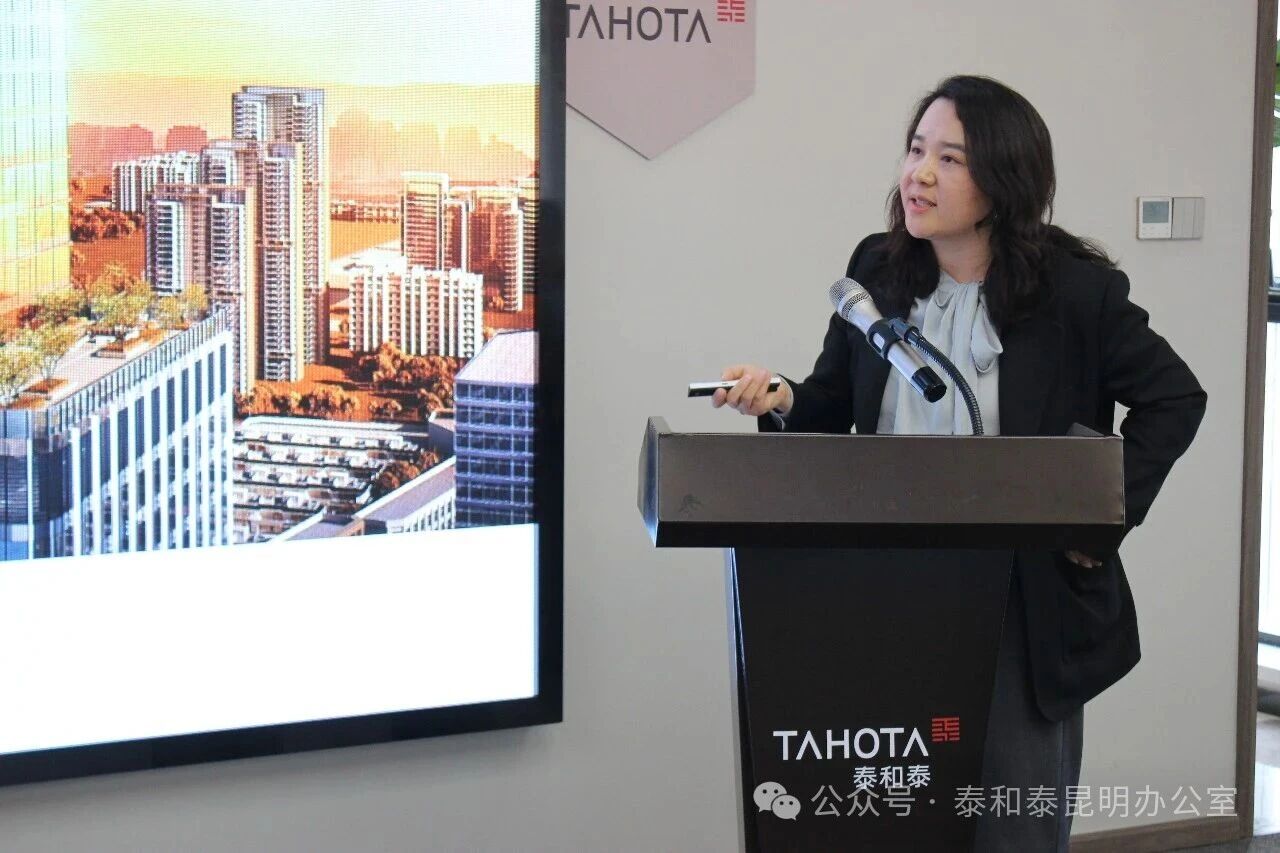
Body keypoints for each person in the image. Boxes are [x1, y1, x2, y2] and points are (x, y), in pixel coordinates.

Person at [710, 75, 1207, 851]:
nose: (920, 174)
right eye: (916, 151)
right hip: (886, 585)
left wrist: (1095, 519)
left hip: (1018, 600)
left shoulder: (1076, 293)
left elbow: (1175, 397)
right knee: (893, 813)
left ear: (1005, 178)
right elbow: (833, 401)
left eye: (950, 158)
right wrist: (779, 397)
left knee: (1011, 824)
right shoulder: (877, 271)